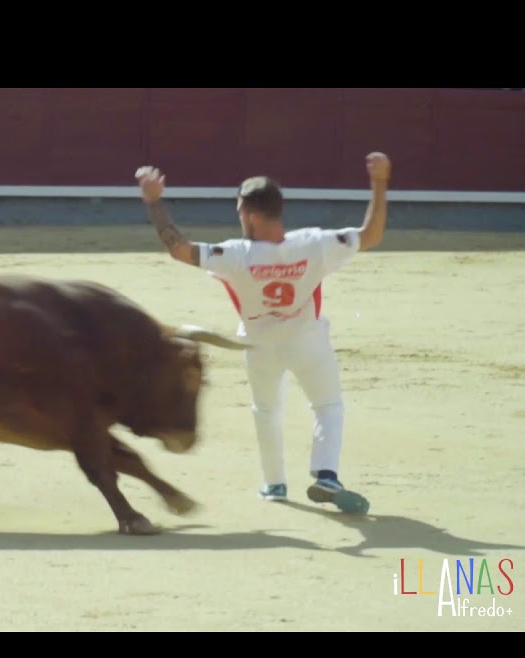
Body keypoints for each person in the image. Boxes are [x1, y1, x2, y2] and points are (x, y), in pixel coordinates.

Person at [132, 152, 392, 514]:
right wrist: (379, 182)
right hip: (307, 340)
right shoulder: (314, 244)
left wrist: (154, 202)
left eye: (239, 211)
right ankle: (326, 473)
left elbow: (178, 247)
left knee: (266, 411)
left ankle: (274, 483)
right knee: (328, 406)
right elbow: (372, 234)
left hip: (259, 343)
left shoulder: (234, 255)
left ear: (251, 215)